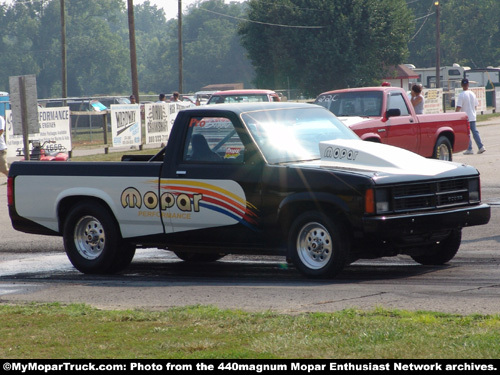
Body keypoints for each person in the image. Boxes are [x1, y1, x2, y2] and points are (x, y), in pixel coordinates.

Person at [456, 78, 485, 154]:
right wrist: (473, 112)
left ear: (462, 85)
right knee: (475, 131)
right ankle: (481, 146)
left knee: (467, 133)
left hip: (465, 117)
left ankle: (469, 148)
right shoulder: (472, 94)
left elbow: (459, 107)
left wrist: (456, 114)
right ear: (468, 85)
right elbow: (476, 105)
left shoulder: (461, 95)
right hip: (472, 115)